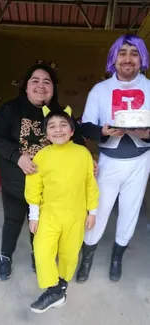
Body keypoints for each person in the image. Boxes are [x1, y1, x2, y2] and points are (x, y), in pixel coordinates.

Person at [0, 63, 85, 281]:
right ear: (26, 87)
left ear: (53, 88)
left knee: (41, 226)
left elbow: (78, 141)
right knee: (13, 221)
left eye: (47, 82)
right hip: (16, 185)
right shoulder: (10, 109)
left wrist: (89, 159)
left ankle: (39, 255)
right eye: (35, 81)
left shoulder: (61, 114)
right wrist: (18, 157)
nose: (41, 86)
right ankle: (5, 256)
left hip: (49, 191)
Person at [76, 34, 150, 283]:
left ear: (141, 58)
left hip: (140, 160)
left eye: (134, 53)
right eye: (122, 53)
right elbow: (85, 126)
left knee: (130, 211)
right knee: (98, 209)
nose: (128, 59)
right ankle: (87, 256)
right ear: (113, 59)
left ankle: (117, 257)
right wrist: (103, 132)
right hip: (109, 160)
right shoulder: (101, 89)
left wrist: (147, 133)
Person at [25, 106, 99, 313]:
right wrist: (34, 215)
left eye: (63, 125)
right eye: (52, 126)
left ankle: (61, 287)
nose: (58, 130)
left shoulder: (83, 153)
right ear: (46, 133)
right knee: (41, 252)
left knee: (69, 253)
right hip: (49, 214)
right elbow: (34, 187)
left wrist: (92, 212)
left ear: (72, 130)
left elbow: (89, 184)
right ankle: (54, 289)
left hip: (76, 215)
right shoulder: (41, 155)